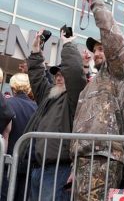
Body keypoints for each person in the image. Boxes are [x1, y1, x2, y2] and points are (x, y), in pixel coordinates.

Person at [69, 0, 124, 200]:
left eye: (101, 49)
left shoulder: (118, 73)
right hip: (81, 157)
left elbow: (113, 39)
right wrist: (74, 162)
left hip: (104, 156)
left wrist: (95, 2)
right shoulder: (91, 85)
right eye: (95, 49)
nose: (97, 53)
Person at [24, 29, 86, 201]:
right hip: (38, 168)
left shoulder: (74, 98)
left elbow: (74, 70)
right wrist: (36, 52)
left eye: (62, 75)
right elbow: (37, 78)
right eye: (57, 75)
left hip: (59, 169)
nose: (59, 78)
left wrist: (68, 45)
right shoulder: (50, 95)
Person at [1, 73, 37, 201]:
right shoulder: (36, 108)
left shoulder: (6, 104)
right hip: (27, 165)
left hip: (8, 163)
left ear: (12, 87)